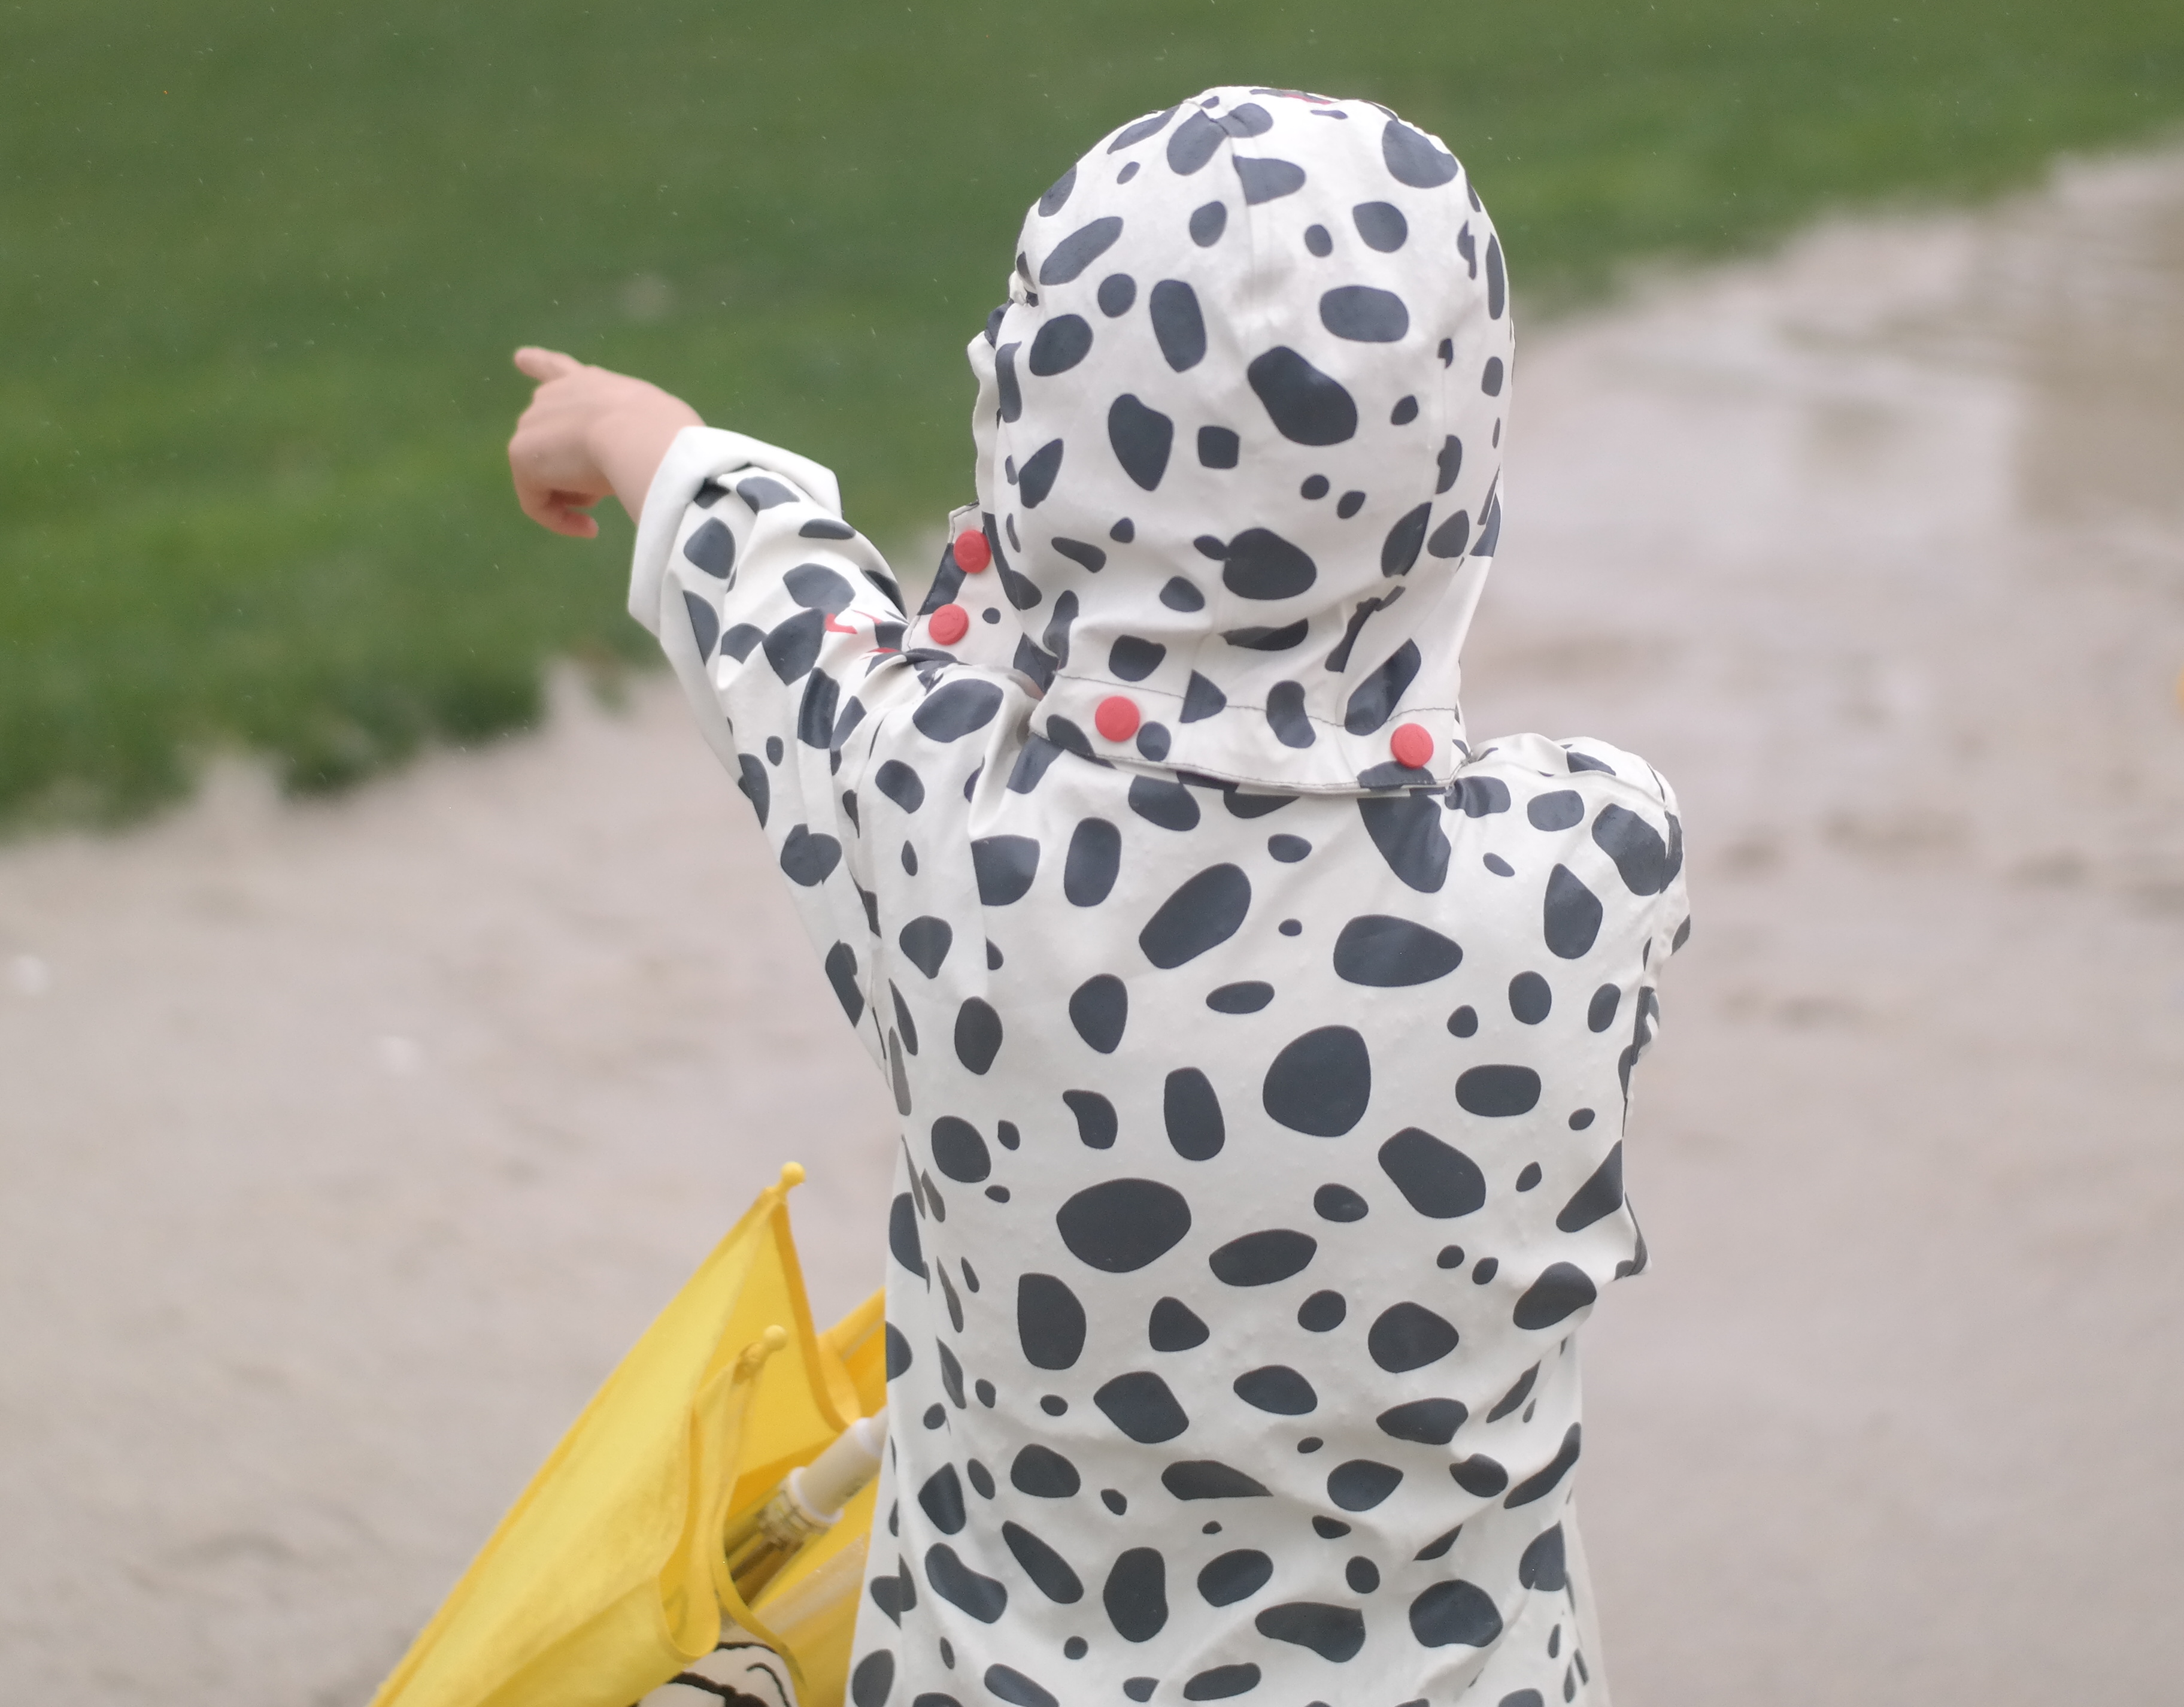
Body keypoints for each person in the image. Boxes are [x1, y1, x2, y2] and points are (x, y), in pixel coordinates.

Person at [508, 88, 1688, 1707]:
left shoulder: (939, 827)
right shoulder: (1595, 865)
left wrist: (625, 424)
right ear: (1463, 469)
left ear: (1032, 445)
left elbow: (778, 608)